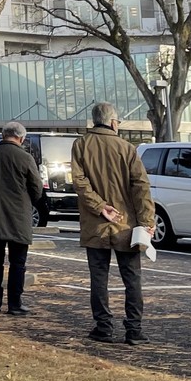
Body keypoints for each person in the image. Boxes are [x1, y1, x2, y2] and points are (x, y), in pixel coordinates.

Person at [70, 100, 155, 345]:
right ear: (114, 122)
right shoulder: (127, 148)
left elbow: (79, 182)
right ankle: (134, 329)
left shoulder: (81, 144)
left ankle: (103, 326)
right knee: (132, 278)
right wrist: (147, 220)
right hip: (126, 225)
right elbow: (141, 186)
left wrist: (99, 206)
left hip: (95, 223)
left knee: (99, 278)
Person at [0, 120, 47, 315]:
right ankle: (15, 303)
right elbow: (37, 189)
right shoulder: (25, 158)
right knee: (18, 262)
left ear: (2, 135)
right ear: (21, 138)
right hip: (17, 217)